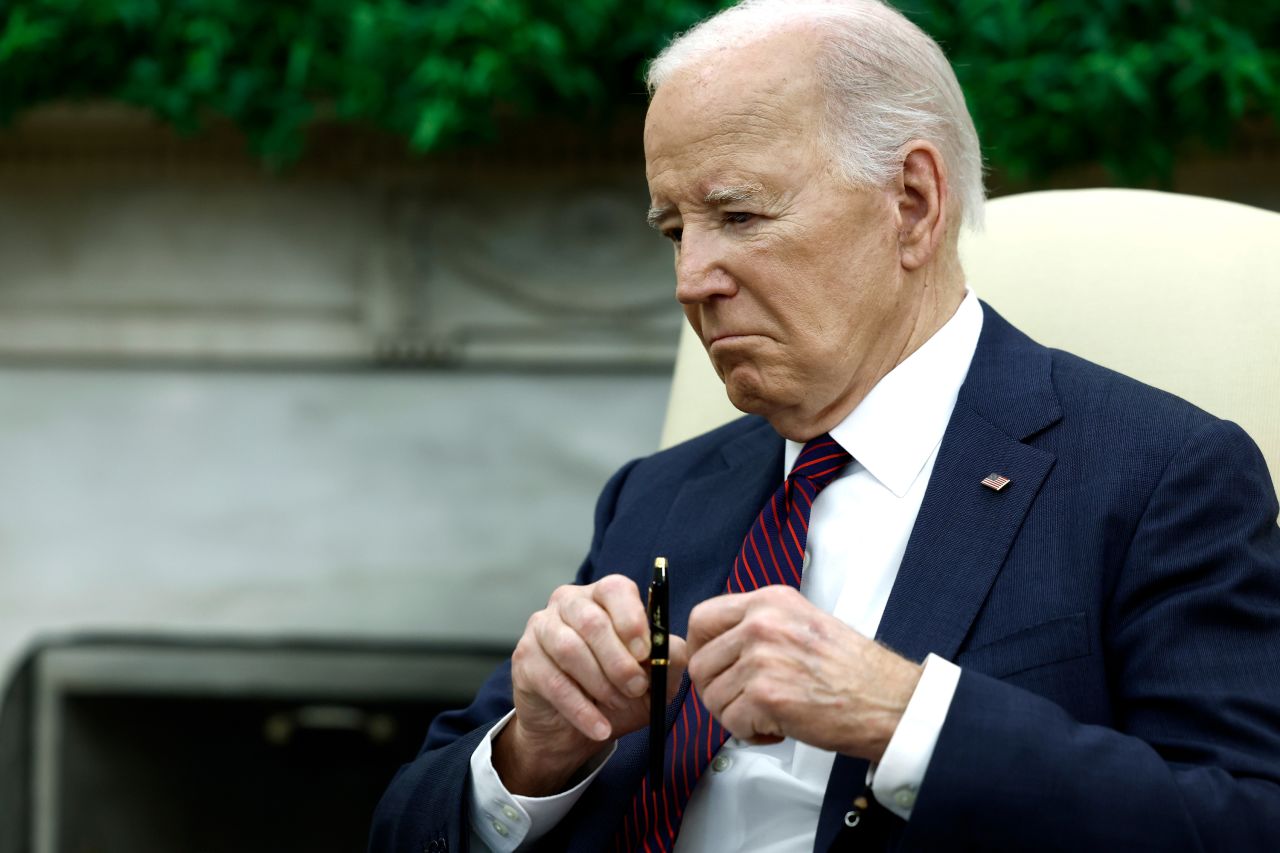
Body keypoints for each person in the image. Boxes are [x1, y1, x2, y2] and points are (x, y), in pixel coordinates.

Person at [369, 1, 1280, 850]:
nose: (692, 279)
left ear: (913, 204)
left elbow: (1245, 819)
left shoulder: (1156, 474)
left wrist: (903, 715)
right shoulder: (656, 494)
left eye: (738, 215)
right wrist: (532, 756)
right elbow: (405, 824)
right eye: (674, 229)